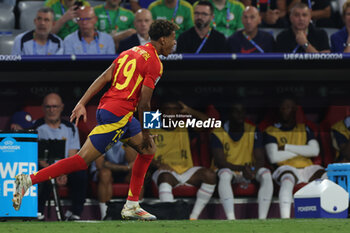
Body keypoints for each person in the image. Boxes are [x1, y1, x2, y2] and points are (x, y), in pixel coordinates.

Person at [12, 19, 178, 221]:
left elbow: (104, 76)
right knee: (81, 161)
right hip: (119, 115)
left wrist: (82, 102)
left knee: (148, 149)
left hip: (113, 110)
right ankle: (28, 180)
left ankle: (132, 205)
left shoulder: (131, 51)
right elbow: (145, 104)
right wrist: (145, 131)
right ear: (162, 40)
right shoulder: (155, 63)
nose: (174, 43)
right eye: (172, 38)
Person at [151, 101, 217, 220]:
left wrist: (189, 111)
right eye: (167, 109)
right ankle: (171, 218)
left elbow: (210, 123)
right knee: (165, 177)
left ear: (179, 112)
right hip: (164, 172)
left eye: (174, 109)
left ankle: (193, 217)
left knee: (210, 175)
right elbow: (140, 151)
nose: (171, 113)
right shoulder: (152, 123)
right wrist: (157, 164)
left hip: (186, 171)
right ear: (161, 112)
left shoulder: (184, 124)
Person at [264, 96, 326, 219]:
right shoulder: (271, 131)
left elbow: (314, 151)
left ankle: (330, 215)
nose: (287, 110)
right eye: (284, 107)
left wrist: (286, 147)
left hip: (308, 167)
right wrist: (303, 150)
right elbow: (274, 157)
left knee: (327, 176)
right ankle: (286, 220)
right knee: (287, 180)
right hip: (286, 167)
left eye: (290, 107)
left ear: (295, 109)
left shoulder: (305, 128)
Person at [211, 102, 273, 220]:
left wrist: (253, 171)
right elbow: (220, 162)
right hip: (230, 170)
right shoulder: (218, 132)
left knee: (266, 173)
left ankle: (262, 219)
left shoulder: (253, 130)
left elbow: (260, 159)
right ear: (229, 114)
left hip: (249, 170)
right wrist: (243, 169)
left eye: (242, 111)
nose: (240, 115)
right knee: (224, 174)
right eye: (236, 111)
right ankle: (231, 219)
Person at [33, 93, 87, 220]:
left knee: (81, 174)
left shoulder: (70, 127)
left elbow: (72, 156)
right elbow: (38, 158)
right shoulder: (35, 128)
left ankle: (75, 214)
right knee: (39, 175)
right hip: (45, 168)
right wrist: (53, 172)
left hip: (65, 169)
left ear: (61, 107)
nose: (52, 110)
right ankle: (38, 213)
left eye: (55, 106)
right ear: (43, 108)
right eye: (48, 107)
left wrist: (64, 173)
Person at [91, 141, 138, 220]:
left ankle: (135, 214)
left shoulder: (129, 136)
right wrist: (124, 168)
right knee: (105, 174)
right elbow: (100, 164)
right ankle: (105, 215)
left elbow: (133, 162)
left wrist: (128, 144)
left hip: (124, 171)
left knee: (138, 174)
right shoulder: (100, 134)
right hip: (104, 171)